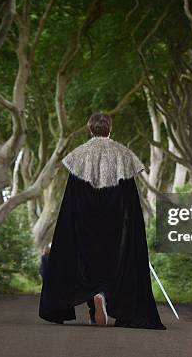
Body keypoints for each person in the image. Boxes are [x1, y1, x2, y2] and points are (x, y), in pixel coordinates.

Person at [39, 112, 165, 330]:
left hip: (86, 224)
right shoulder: (123, 156)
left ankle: (95, 296)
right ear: (110, 130)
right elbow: (130, 201)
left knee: (87, 262)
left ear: (90, 130)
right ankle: (115, 305)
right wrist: (130, 227)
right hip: (115, 224)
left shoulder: (78, 156)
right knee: (117, 264)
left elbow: (72, 201)